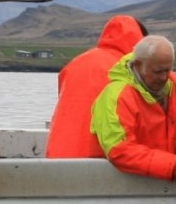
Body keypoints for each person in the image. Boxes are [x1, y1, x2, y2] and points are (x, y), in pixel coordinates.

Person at [91, 35, 176, 183]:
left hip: (165, 184)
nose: (164, 77)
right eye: (158, 72)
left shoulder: (173, 85)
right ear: (138, 65)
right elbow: (120, 150)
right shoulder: (116, 96)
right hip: (128, 186)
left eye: (168, 70)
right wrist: (171, 166)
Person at [45, 15, 148, 158]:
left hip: (58, 154)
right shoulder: (131, 68)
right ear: (141, 41)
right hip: (99, 160)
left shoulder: (75, 64)